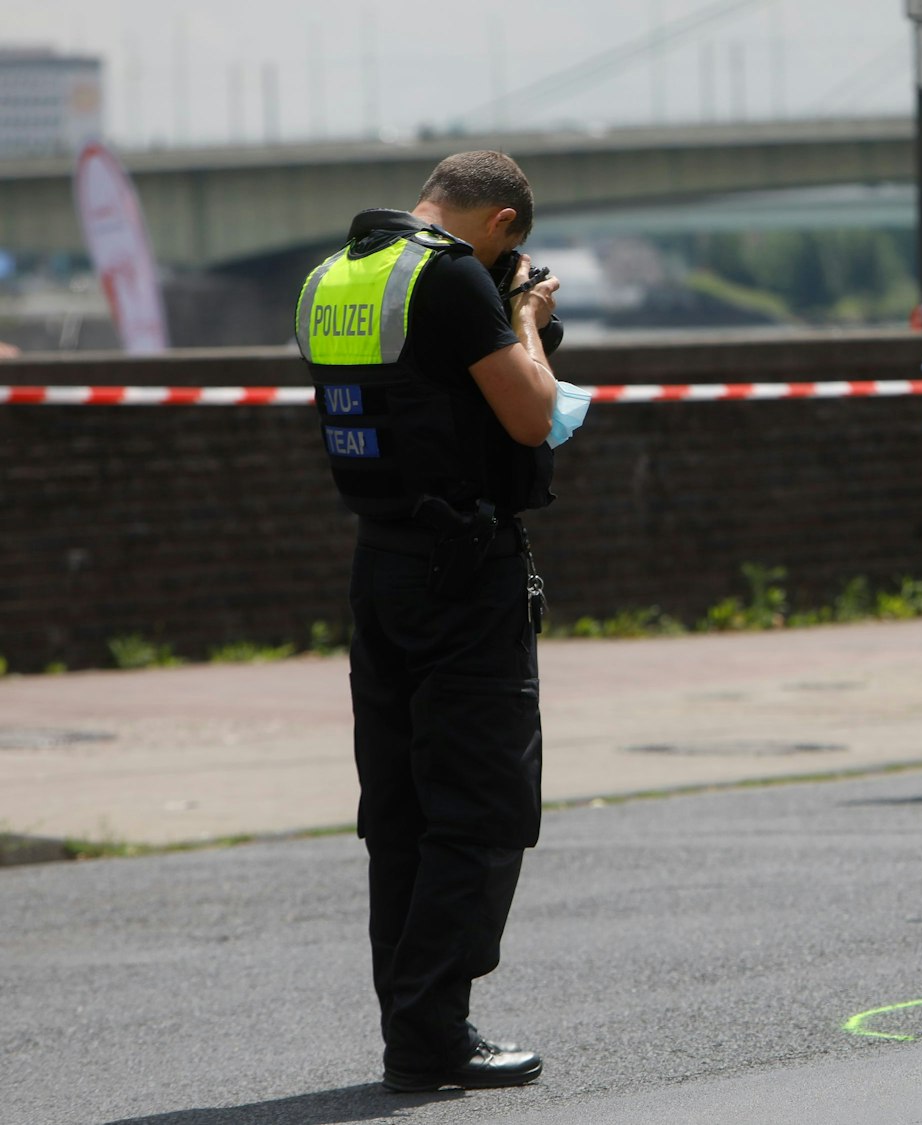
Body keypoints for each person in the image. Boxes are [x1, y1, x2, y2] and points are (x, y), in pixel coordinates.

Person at [294, 150, 565, 1093]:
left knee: (401, 807)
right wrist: (525, 316)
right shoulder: (450, 277)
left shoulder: (338, 273)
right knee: (484, 802)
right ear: (498, 225)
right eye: (513, 249)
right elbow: (532, 418)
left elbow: (416, 399)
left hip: (382, 561)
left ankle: (412, 1024)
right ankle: (433, 1028)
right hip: (463, 568)